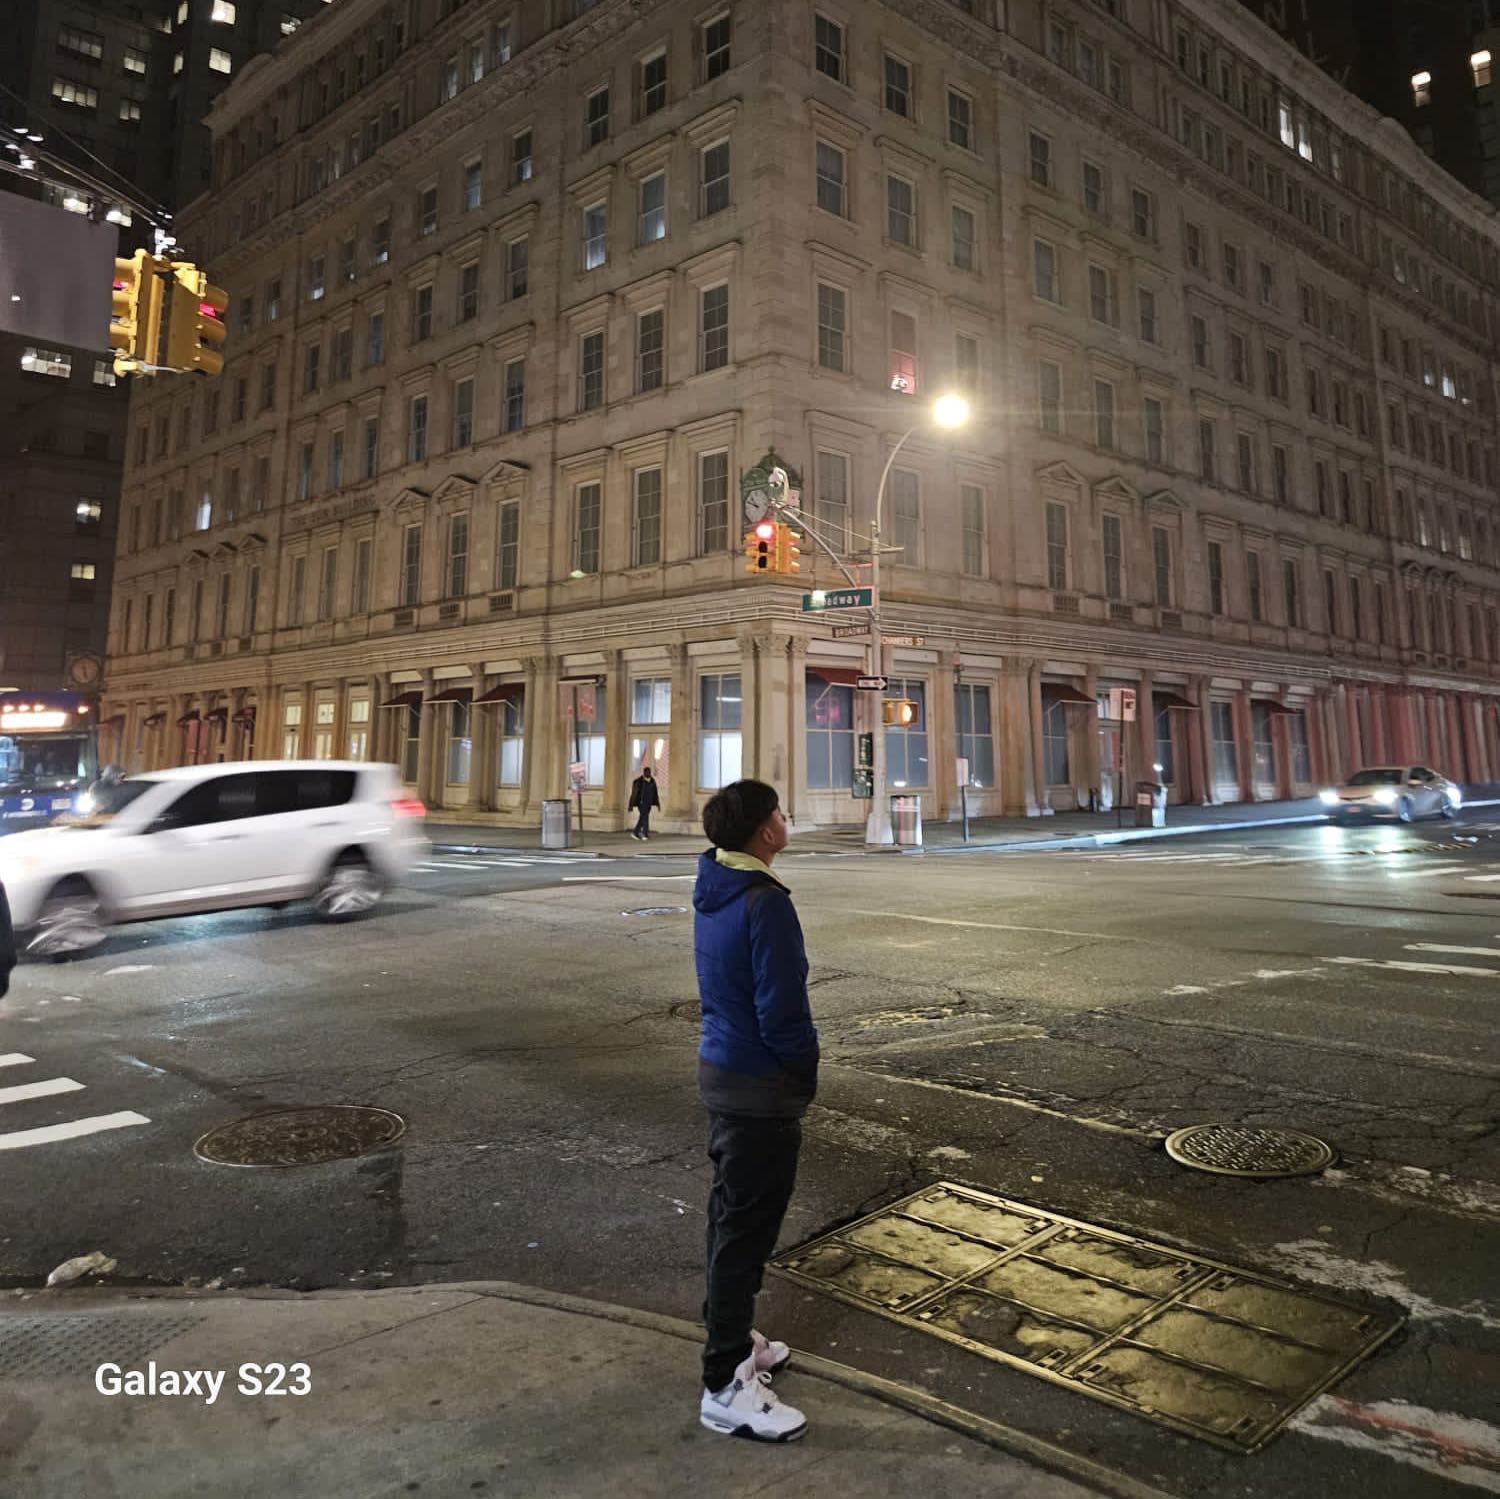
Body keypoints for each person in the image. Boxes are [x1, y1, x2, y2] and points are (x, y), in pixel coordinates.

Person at [693, 779, 818, 1443]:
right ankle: (724, 1386)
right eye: (781, 811)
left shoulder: (715, 884)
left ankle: (734, 1338)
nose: (785, 818)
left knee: (728, 1216)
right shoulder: (765, 901)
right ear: (766, 832)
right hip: (758, 1086)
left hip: (722, 1071)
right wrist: (803, 1070)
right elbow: (783, 1011)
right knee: (746, 1232)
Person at [627, 765, 660, 841]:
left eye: (649, 772)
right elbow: (634, 793)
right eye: (647, 772)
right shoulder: (638, 781)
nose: (649, 773)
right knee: (645, 817)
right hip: (641, 802)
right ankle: (645, 834)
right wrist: (631, 805)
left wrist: (657, 803)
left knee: (643, 817)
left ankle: (635, 832)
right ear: (644, 773)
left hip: (648, 802)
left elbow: (655, 793)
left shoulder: (652, 781)